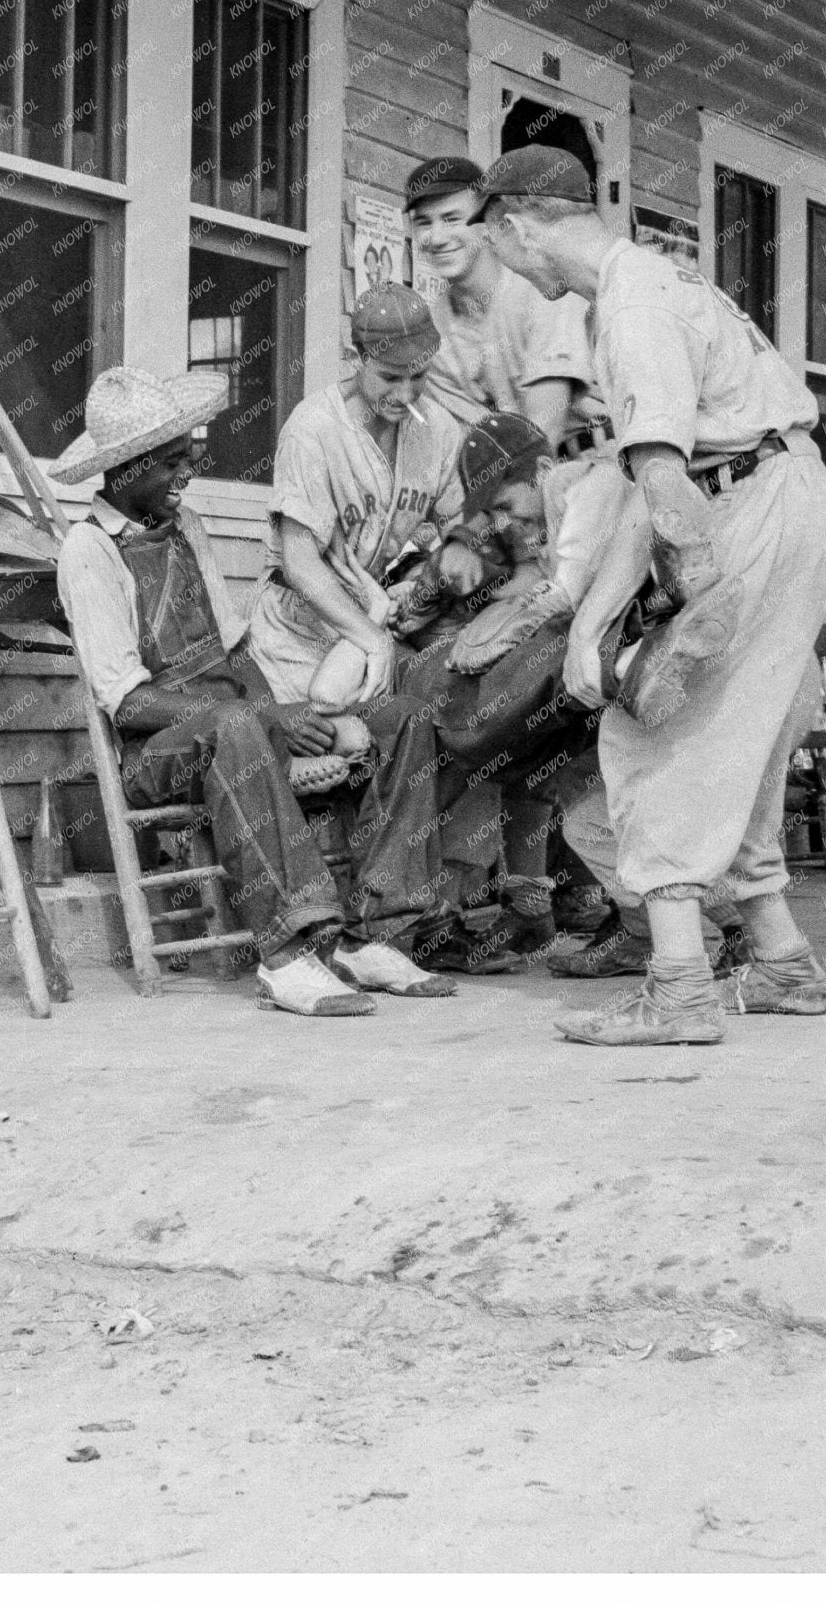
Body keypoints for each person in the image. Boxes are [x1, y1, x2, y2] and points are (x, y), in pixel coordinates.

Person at [478, 145, 826, 1046]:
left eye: (498, 244)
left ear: (516, 227)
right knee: (743, 740)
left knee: (653, 732)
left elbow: (665, 486)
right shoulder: (657, 278)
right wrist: (596, 620)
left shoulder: (631, 304)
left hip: (747, 507)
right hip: (791, 494)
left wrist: (665, 617)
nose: (509, 269)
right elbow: (648, 487)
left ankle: (681, 989)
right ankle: (780, 964)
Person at [52, 365, 455, 1019]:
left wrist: (289, 715)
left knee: (402, 717)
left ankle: (376, 934)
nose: (187, 477)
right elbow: (126, 702)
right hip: (155, 754)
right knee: (237, 722)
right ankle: (287, 954)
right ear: (124, 471)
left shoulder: (189, 529)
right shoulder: (89, 550)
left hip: (238, 724)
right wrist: (264, 716)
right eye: (171, 466)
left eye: (191, 459)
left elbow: (237, 652)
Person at [398, 410, 650, 974]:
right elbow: (493, 571)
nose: (502, 522)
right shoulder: (529, 520)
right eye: (491, 513)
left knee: (601, 798)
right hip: (584, 666)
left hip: (631, 660)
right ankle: (532, 909)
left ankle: (697, 926)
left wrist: (514, 617)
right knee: (523, 760)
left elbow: (562, 589)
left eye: (506, 506)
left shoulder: (591, 489)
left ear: (541, 470)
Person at [247, 282, 475, 709]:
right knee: (331, 741)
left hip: (376, 608)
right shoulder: (313, 429)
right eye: (390, 377)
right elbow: (299, 563)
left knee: (412, 722)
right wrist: (370, 637)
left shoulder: (438, 429)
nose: (406, 395)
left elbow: (459, 529)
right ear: (357, 358)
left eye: (419, 376)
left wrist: (425, 580)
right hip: (298, 627)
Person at [402, 155, 603, 452]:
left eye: (452, 219)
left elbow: (543, 429)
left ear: (486, 222)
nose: (437, 237)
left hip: (605, 460)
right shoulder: (433, 328)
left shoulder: (543, 290)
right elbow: (473, 445)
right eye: (424, 223)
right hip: (517, 474)